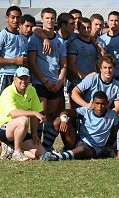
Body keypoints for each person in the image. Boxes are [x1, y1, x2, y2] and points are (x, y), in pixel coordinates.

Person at [28, 7, 67, 151]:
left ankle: (47, 145)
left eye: (52, 18)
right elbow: (32, 63)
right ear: (42, 20)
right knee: (40, 115)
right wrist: (44, 80)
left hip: (56, 83)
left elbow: (64, 64)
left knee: (52, 116)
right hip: (41, 82)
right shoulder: (34, 39)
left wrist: (60, 81)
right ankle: (36, 144)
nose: (50, 21)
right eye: (47, 18)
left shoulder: (60, 41)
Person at [43, 91, 119, 161]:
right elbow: (66, 112)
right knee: (58, 120)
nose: (100, 107)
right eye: (97, 103)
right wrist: (64, 120)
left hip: (92, 148)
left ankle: (57, 157)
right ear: (92, 103)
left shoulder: (112, 115)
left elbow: (114, 134)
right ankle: (43, 149)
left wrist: (107, 148)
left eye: (102, 104)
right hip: (77, 141)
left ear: (107, 103)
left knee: (82, 149)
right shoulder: (86, 110)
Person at [0, 67, 46, 161]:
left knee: (39, 154)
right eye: (21, 78)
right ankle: (17, 153)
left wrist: (34, 133)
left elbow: (35, 113)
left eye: (26, 78)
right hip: (4, 128)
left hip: (20, 130)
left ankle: (11, 149)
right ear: (14, 78)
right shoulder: (8, 92)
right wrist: (34, 113)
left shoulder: (31, 90)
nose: (23, 81)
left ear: (29, 79)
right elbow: (14, 113)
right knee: (23, 119)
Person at [67, 17, 98, 109]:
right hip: (77, 83)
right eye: (83, 28)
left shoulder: (94, 44)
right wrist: (83, 76)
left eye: (88, 27)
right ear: (78, 29)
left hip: (92, 83)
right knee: (76, 113)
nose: (86, 30)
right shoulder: (74, 44)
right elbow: (71, 64)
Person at [0, 6, 28, 94]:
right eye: (13, 17)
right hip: (6, 75)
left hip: (21, 77)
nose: (15, 20)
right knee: (3, 105)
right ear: (7, 18)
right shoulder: (3, 35)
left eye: (18, 17)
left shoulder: (23, 38)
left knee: (18, 105)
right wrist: (14, 61)